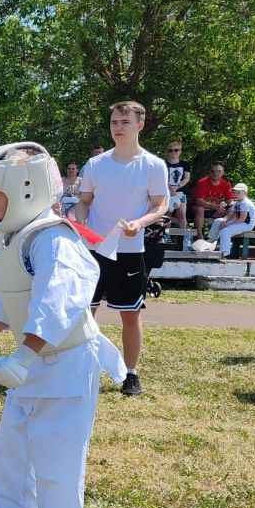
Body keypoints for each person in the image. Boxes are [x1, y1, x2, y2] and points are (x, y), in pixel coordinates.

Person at [0, 142, 126, 508]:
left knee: (56, 451)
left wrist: (25, 356)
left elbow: (59, 302)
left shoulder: (54, 239)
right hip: (31, 364)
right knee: (14, 443)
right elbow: (3, 294)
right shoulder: (17, 236)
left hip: (65, 364)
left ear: (27, 190)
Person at [79, 100, 169, 396]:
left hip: (130, 250)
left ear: (140, 126)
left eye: (124, 123)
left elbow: (160, 205)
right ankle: (84, 368)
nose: (118, 128)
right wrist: (78, 225)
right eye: (114, 122)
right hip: (93, 250)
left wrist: (140, 222)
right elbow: (84, 203)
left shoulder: (154, 164)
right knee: (86, 312)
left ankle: (130, 374)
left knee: (131, 314)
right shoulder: (96, 164)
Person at [205, 182, 255, 257]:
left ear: (245, 193)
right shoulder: (237, 203)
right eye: (235, 193)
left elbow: (242, 219)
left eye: (238, 193)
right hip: (238, 221)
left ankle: (224, 252)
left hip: (246, 224)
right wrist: (223, 221)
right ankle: (211, 242)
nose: (236, 194)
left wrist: (226, 225)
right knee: (217, 221)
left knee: (225, 231)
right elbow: (230, 215)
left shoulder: (245, 203)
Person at [190, 161, 233, 241]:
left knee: (232, 213)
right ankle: (199, 236)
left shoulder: (226, 184)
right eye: (213, 171)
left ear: (223, 173)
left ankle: (224, 238)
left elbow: (230, 201)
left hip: (214, 211)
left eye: (219, 171)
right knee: (200, 209)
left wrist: (230, 207)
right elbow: (199, 201)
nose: (216, 173)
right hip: (196, 210)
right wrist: (216, 207)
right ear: (209, 172)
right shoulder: (202, 182)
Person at [162, 141, 191, 229]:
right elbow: (160, 178)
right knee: (167, 215)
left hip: (180, 193)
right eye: (170, 150)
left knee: (181, 214)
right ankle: (165, 236)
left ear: (180, 151)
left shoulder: (185, 164)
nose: (173, 152)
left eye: (176, 150)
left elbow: (186, 178)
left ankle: (183, 237)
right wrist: (169, 187)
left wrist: (177, 187)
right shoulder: (163, 164)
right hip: (167, 192)